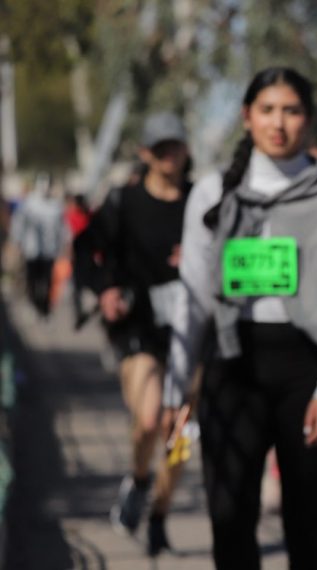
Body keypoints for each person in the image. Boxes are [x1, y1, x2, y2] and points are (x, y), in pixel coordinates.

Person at [165, 67, 317, 569]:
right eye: (267, 110)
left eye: (291, 111)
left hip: (307, 369)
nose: (279, 123)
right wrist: (177, 387)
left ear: (309, 119)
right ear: (246, 117)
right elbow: (192, 300)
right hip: (232, 362)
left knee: (308, 523)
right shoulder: (214, 193)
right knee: (229, 515)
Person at [88, 111, 193, 556]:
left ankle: (160, 514)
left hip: (190, 332)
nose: (169, 155)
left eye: (175, 145)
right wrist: (105, 290)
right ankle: (139, 478)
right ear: (145, 153)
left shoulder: (200, 200)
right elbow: (87, 249)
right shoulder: (124, 202)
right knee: (149, 419)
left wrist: (198, 257)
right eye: (160, 147)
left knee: (178, 433)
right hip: (139, 329)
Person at [10, 176, 67, 318]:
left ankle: (45, 306)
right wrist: (17, 241)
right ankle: (33, 303)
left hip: (49, 250)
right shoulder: (29, 204)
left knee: (47, 279)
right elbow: (19, 223)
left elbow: (62, 228)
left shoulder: (55, 206)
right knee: (32, 279)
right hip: (32, 250)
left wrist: (64, 244)